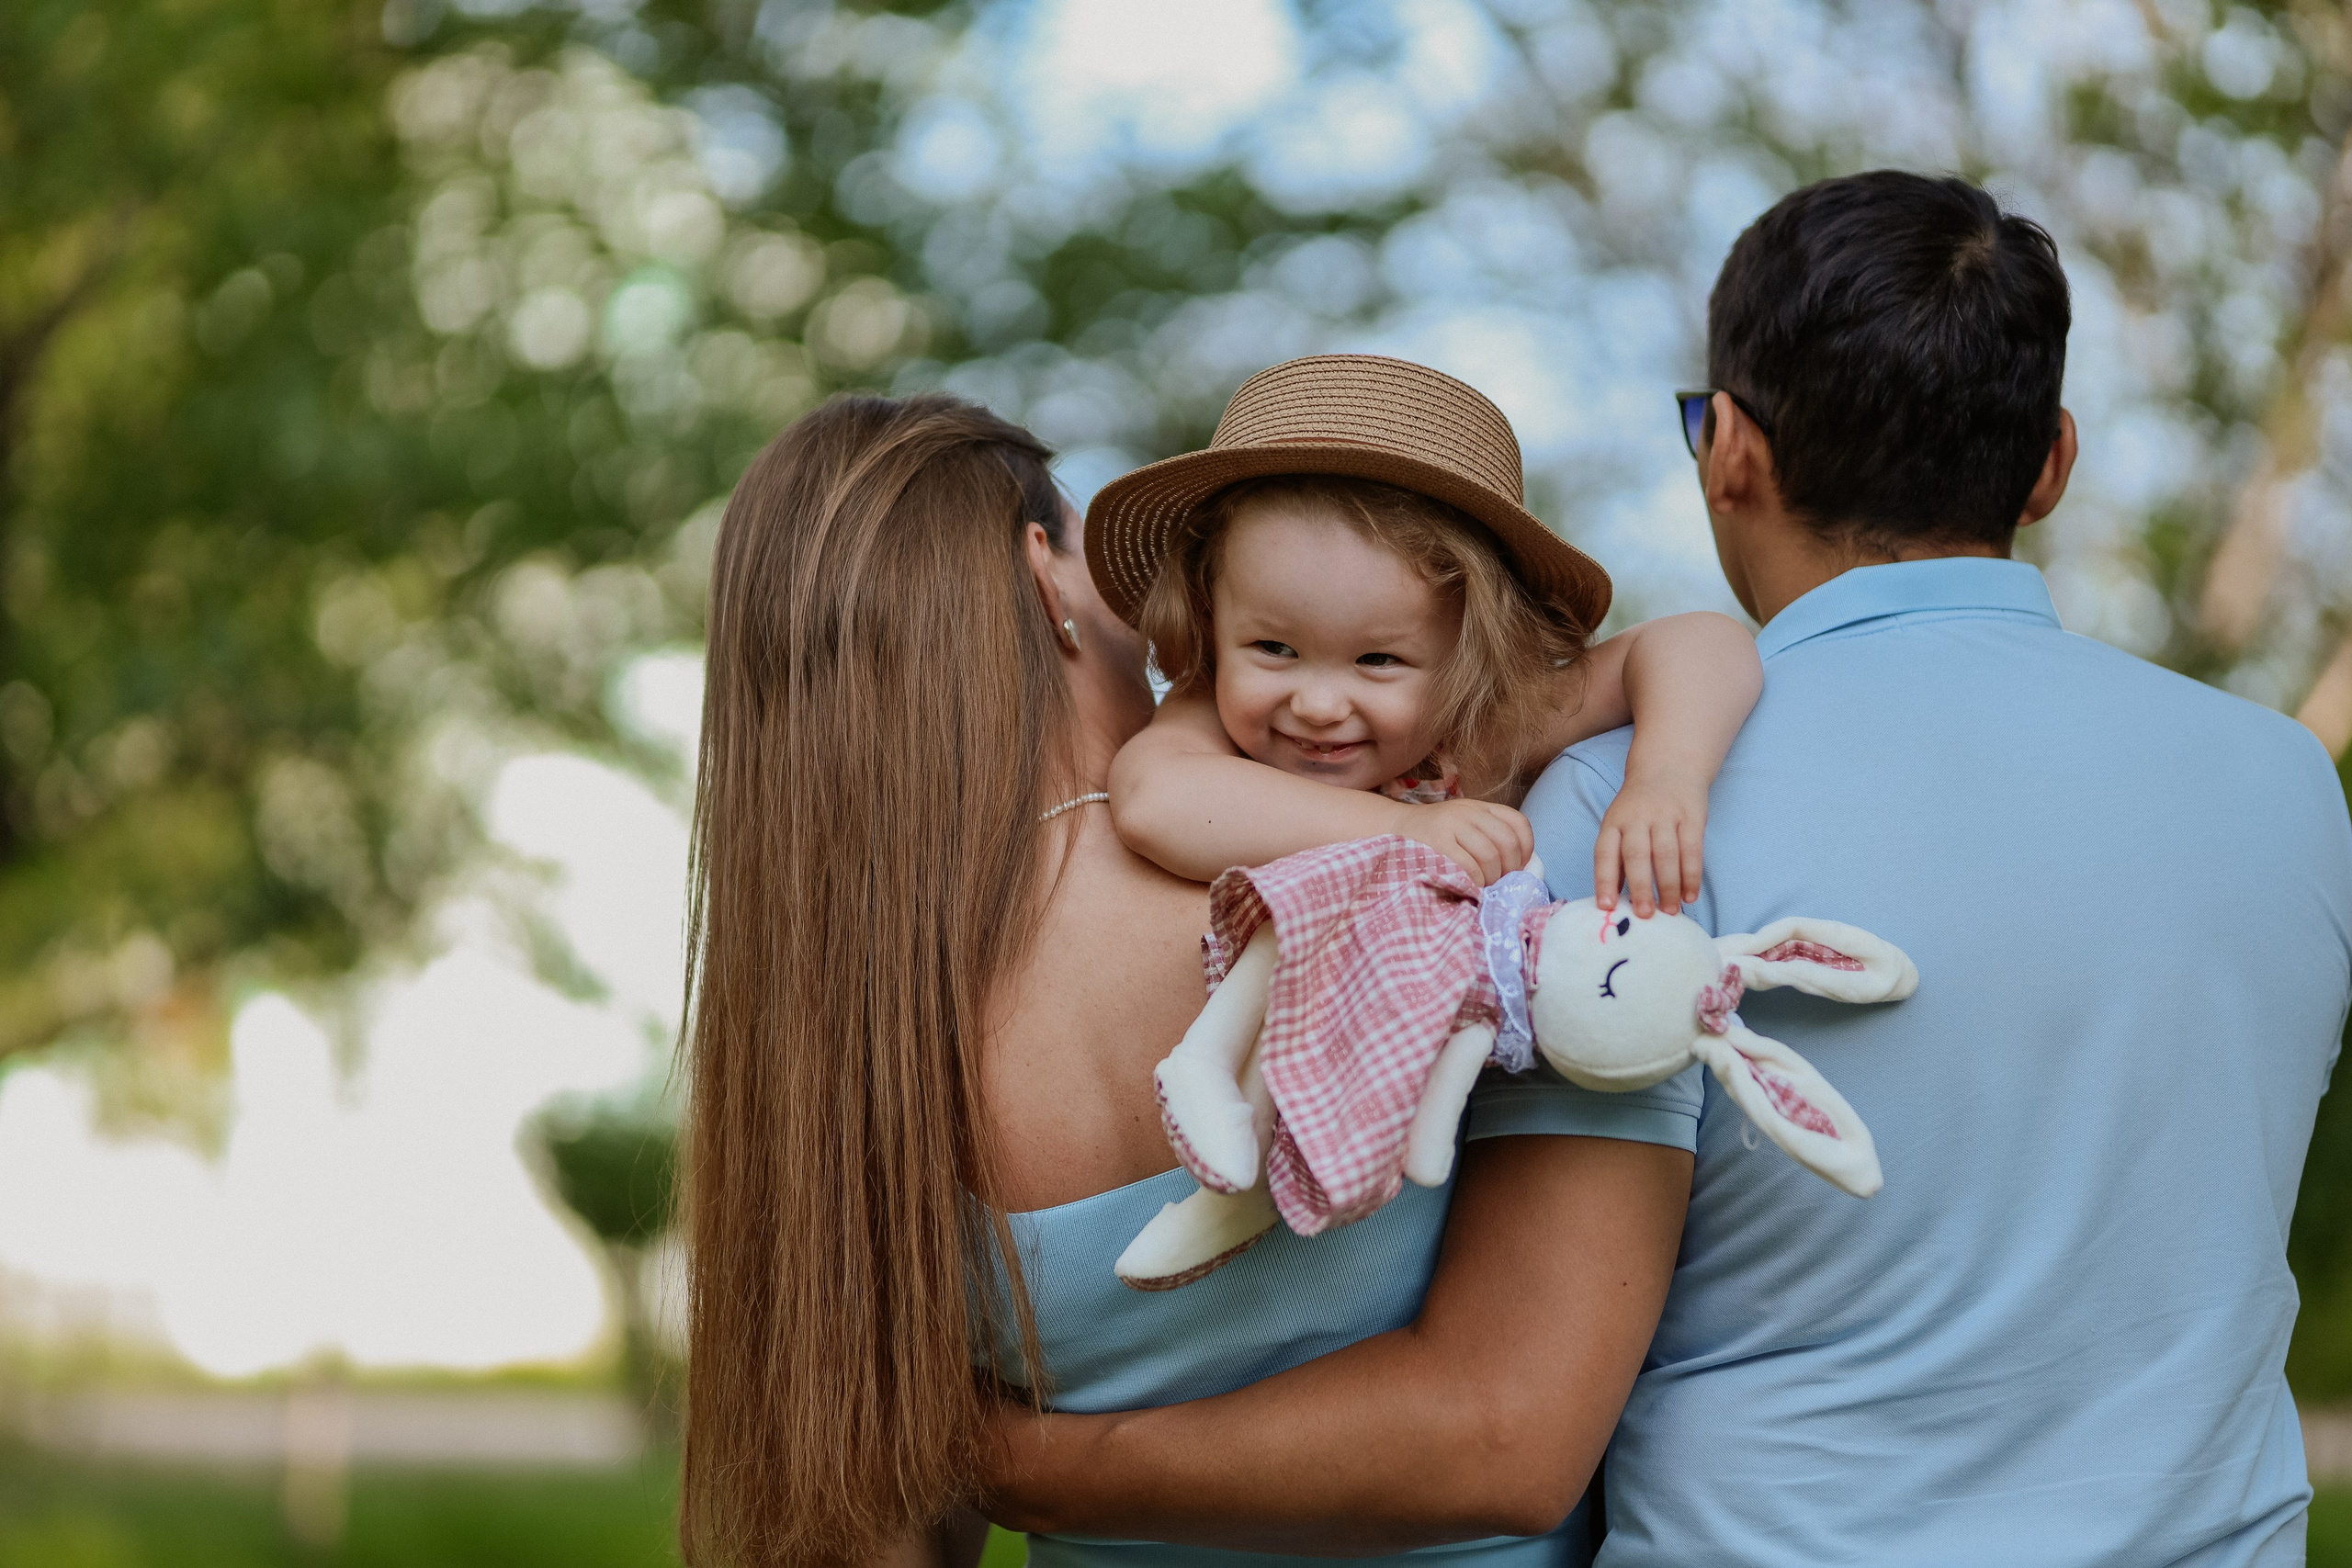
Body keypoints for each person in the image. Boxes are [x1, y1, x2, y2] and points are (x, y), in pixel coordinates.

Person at [983, 170, 2352, 1564]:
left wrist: (1018, 1461)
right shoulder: (2293, 786)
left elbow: (1503, 1425)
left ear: (1730, 452)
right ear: (2054, 461)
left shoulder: (1610, 815)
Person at [678, 392, 1689, 1568]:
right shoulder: (1393, 895)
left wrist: (1012, 1465)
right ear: (1043, 574)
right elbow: (1515, 1435)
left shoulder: (836, 1030)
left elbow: (878, 1525)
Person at [1093, 354, 1760, 919]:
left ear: (1473, 654)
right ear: (1210, 617)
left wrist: (1665, 777)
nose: (1319, 706)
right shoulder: (1211, 720)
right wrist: (1405, 828)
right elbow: (1155, 801)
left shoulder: (1479, 731)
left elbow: (1702, 640)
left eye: (1378, 659)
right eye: (1274, 649)